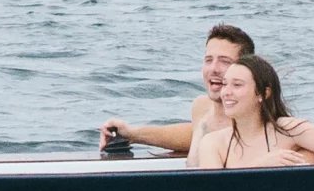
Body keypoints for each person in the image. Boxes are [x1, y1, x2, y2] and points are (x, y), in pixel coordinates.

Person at [189, 54, 314, 168]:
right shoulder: (213, 142)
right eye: (225, 84)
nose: (226, 92)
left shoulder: (287, 129)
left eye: (237, 85)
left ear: (263, 93)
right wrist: (260, 167)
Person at [101, 24, 253, 156]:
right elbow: (192, 135)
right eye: (208, 60)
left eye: (224, 61)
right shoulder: (202, 107)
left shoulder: (257, 115)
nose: (214, 69)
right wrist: (131, 134)